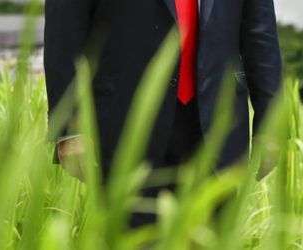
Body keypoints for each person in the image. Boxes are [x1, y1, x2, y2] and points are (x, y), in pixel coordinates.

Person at [44, 0, 281, 227]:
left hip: (219, 129)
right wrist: (69, 129)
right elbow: (64, 32)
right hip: (125, 127)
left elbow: (260, 31)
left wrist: (270, 127)